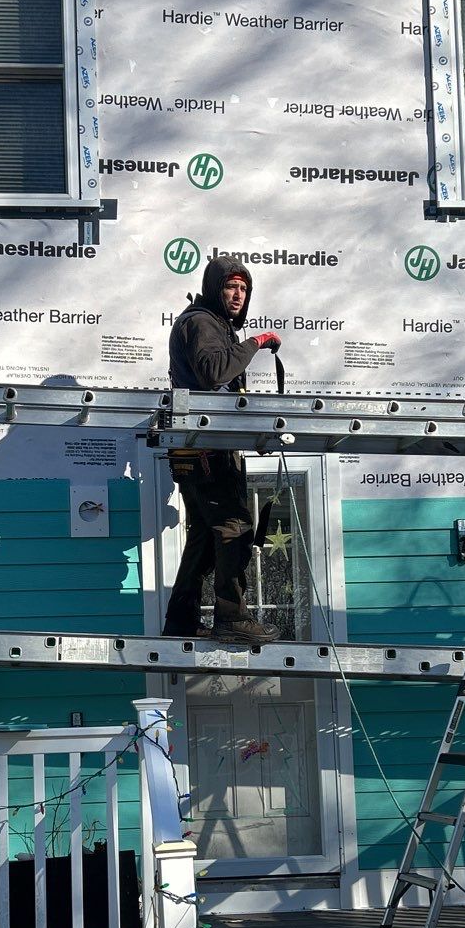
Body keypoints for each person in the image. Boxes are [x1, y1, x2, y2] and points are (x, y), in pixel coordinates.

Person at [162, 255, 282, 643]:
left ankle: (181, 620)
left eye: (244, 289)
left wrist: (250, 437)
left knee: (203, 538)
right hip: (206, 449)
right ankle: (232, 618)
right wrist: (256, 342)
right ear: (215, 287)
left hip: (201, 448)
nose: (238, 295)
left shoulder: (214, 326)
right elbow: (214, 372)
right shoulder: (201, 322)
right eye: (231, 286)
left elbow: (218, 389)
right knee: (234, 528)